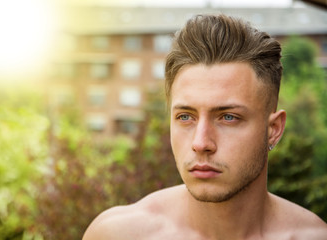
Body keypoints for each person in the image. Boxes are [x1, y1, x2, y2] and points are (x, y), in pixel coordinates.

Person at [83, 14, 327, 239]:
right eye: (185, 117)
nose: (200, 143)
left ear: (273, 130)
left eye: (228, 117)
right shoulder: (118, 234)